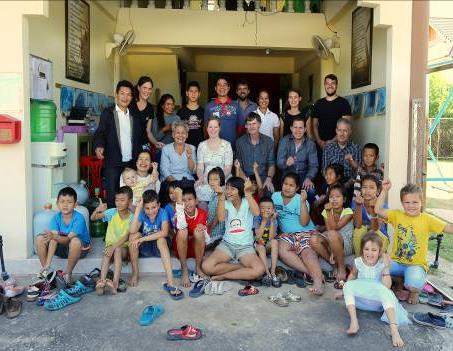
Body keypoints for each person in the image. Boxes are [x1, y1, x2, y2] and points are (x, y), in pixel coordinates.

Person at [375, 181, 453, 304]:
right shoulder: (397, 215)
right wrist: (384, 190)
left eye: (415, 202)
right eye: (407, 202)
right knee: (375, 269)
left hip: (415, 265)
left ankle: (414, 291)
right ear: (402, 203)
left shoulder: (427, 219)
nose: (411, 206)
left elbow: (448, 227)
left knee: (413, 285)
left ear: (421, 203)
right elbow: (378, 210)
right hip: (396, 262)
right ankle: (399, 282)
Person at [343, 232, 409, 348]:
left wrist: (386, 267)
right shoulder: (358, 261)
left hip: (378, 304)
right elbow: (352, 276)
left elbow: (387, 287)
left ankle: (394, 330)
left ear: (379, 252)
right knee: (347, 286)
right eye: (366, 249)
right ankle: (354, 321)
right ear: (362, 250)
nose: (369, 253)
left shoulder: (382, 263)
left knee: (385, 291)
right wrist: (345, 292)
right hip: (361, 302)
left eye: (374, 250)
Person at [94, 80, 147, 208]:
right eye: (122, 93)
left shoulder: (135, 115)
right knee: (113, 195)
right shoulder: (108, 113)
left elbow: (141, 137)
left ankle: (130, 224)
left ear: (132, 97)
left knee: (132, 194)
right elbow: (100, 132)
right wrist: (99, 146)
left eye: (128, 94)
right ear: (116, 94)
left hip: (131, 162)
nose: (125, 97)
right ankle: (113, 224)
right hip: (113, 161)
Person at [201, 177, 265, 281]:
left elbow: (257, 213)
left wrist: (248, 193)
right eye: (227, 188)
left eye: (232, 189)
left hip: (245, 247)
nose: (228, 192)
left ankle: (224, 276)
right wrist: (221, 196)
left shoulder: (247, 201)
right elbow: (221, 218)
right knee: (206, 267)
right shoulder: (225, 203)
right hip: (227, 245)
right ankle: (241, 269)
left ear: (240, 190)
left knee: (259, 269)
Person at [272, 172, 324, 295]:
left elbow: (305, 222)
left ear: (297, 188)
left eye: (291, 185)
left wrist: (302, 202)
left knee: (307, 252)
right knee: (282, 250)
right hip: (286, 235)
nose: (287, 187)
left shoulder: (301, 199)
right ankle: (313, 274)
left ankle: (318, 283)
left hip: (305, 232)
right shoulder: (275, 197)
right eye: (285, 184)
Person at [128, 190, 183, 299]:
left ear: (159, 205)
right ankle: (135, 273)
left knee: (161, 239)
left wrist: (142, 239)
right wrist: (138, 210)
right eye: (147, 208)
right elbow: (132, 230)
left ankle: (170, 282)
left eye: (153, 207)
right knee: (133, 236)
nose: (150, 211)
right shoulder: (142, 213)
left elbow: (164, 232)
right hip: (147, 247)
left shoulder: (163, 213)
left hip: (159, 248)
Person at [35, 187, 91, 284]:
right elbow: (53, 240)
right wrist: (48, 263)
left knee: (75, 241)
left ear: (75, 204)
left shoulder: (79, 218)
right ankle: (46, 272)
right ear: (57, 203)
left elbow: (67, 240)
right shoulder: (56, 217)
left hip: (79, 249)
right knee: (40, 238)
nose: (65, 205)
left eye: (69, 202)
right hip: (63, 247)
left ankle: (67, 274)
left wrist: (54, 237)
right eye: (62, 201)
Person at [91, 186, 133, 295]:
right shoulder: (112, 212)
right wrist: (97, 210)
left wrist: (113, 247)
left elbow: (126, 237)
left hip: (123, 248)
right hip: (110, 248)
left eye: (122, 200)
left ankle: (115, 284)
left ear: (130, 202)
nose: (118, 203)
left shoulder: (132, 217)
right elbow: (93, 218)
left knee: (117, 249)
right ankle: (101, 282)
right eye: (117, 200)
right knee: (106, 253)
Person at [311, 183, 353, 286]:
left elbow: (335, 228)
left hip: (346, 244)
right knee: (313, 239)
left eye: (337, 197)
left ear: (344, 199)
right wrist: (328, 212)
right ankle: (334, 265)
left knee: (333, 234)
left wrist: (329, 212)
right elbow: (329, 230)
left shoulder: (348, 211)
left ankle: (342, 268)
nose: (334, 199)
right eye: (331, 197)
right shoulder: (326, 211)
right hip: (331, 240)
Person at [173, 187, 209, 287]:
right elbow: (181, 226)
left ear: (196, 200)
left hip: (196, 249)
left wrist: (203, 230)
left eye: (190, 199)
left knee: (199, 231)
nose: (187, 203)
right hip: (181, 248)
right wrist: (179, 203)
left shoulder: (202, 213)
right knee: (182, 231)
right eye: (183, 200)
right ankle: (184, 269)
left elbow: (207, 238)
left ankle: (198, 267)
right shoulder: (178, 214)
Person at [195, 116, 233, 209]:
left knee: (224, 191)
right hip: (206, 178)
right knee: (199, 188)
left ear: (219, 128)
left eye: (215, 127)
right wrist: (200, 178)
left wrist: (218, 180)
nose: (213, 130)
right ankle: (204, 219)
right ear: (206, 128)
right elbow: (200, 167)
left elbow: (228, 167)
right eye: (210, 127)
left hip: (223, 177)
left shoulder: (227, 145)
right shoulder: (202, 145)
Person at [276, 117, 318, 203]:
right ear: (291, 128)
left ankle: (307, 212)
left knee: (311, 192)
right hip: (288, 176)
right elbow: (279, 162)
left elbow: (313, 166)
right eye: (295, 127)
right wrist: (286, 163)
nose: (298, 131)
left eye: (300, 128)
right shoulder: (284, 141)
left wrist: (309, 178)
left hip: (303, 177)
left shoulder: (310, 144)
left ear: (305, 129)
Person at [235, 112, 275, 193]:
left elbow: (272, 165)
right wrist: (246, 180)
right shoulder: (240, 142)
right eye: (249, 124)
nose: (251, 126)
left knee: (268, 193)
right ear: (246, 126)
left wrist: (269, 178)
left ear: (259, 124)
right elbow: (239, 166)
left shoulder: (268, 141)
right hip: (246, 177)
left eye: (254, 123)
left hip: (263, 177)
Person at [312, 74, 352, 150]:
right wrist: (319, 141)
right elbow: (314, 124)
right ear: (324, 85)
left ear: (336, 85)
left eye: (333, 83)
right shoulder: (318, 103)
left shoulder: (344, 103)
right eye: (327, 83)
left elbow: (347, 126)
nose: (330, 86)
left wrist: (331, 142)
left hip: (339, 146)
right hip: (321, 146)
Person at [352, 175, 389, 256]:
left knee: (375, 233)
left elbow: (375, 228)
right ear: (361, 189)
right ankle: (360, 261)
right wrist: (358, 206)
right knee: (359, 231)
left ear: (378, 191)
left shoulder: (382, 206)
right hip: (363, 234)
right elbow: (357, 225)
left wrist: (373, 210)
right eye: (364, 187)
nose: (367, 190)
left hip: (379, 235)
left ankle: (375, 261)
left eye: (371, 187)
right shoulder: (357, 202)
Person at [204, 76, 242, 147]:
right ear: (215, 88)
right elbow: (206, 129)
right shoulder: (209, 107)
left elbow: (240, 128)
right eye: (219, 85)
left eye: (225, 85)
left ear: (228, 88)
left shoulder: (236, 106)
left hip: (232, 148)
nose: (222, 87)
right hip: (214, 148)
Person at [322, 118, 361, 185]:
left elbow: (359, 171)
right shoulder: (328, 148)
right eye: (339, 130)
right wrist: (333, 183)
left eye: (345, 131)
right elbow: (324, 170)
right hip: (331, 181)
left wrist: (347, 185)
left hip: (349, 182)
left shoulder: (356, 148)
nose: (342, 134)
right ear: (336, 131)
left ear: (350, 132)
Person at [254, 197, 280, 287]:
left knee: (275, 242)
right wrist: (264, 221)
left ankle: (273, 272)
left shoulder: (274, 220)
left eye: (269, 208)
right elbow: (257, 237)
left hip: (267, 244)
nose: (266, 210)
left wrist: (272, 221)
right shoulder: (257, 218)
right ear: (258, 209)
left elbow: (271, 237)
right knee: (260, 246)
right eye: (262, 208)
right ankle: (267, 272)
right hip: (258, 246)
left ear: (273, 210)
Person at [129, 76, 157, 150]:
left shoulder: (150, 108)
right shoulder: (130, 104)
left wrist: (156, 143)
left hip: (144, 144)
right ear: (139, 88)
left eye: (149, 89)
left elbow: (148, 131)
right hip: (130, 144)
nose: (147, 91)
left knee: (147, 160)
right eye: (144, 88)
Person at [177, 81, 205, 148]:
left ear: (199, 94)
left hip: (200, 147)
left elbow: (206, 131)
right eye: (191, 91)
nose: (193, 94)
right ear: (187, 93)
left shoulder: (203, 111)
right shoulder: (181, 112)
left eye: (196, 91)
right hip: (184, 146)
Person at [206, 167, 226, 243]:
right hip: (211, 227)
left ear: (221, 180)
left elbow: (217, 216)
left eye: (215, 179)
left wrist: (209, 230)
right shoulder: (213, 193)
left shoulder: (221, 194)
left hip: (217, 231)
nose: (212, 182)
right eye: (210, 179)